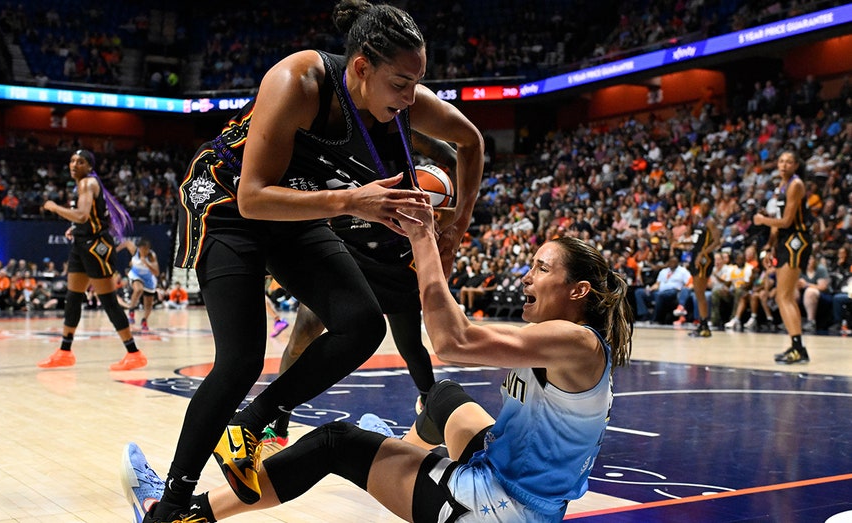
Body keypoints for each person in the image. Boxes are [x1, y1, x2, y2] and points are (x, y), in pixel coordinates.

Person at [145, 0, 483, 519]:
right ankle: (170, 507)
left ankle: (251, 425)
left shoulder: (404, 98)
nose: (410, 96)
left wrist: (457, 224)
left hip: (296, 208)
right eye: (400, 84)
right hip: (226, 202)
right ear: (362, 68)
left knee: (363, 323)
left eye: (417, 82)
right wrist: (353, 200)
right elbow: (254, 197)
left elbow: (472, 141)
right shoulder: (297, 79)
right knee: (240, 360)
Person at [122, 222, 633, 522]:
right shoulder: (571, 341)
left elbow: (452, 341)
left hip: (499, 509)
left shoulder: (578, 342)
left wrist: (425, 237)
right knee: (444, 397)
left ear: (578, 291)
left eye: (542, 269)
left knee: (335, 445)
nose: (528, 274)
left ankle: (186, 513)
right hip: (514, 476)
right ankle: (398, 451)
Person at [261, 131, 468, 455]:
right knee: (302, 334)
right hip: (346, 247)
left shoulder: (394, 128)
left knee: (410, 345)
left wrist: (457, 216)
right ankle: (278, 418)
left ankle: (432, 405)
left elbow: (455, 156)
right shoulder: (323, 136)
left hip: (396, 254)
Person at [36, 149, 148, 371]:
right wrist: (75, 228)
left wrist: (54, 207)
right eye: (72, 160)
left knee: (108, 301)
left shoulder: (88, 183)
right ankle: (65, 351)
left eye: (81, 161)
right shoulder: (84, 185)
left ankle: (134, 353)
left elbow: (82, 215)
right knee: (72, 297)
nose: (74, 164)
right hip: (82, 244)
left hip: (96, 247)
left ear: (90, 167)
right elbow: (86, 219)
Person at [753, 150, 813, 364]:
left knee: (784, 296)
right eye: (781, 161)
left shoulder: (796, 184)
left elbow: (787, 221)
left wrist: (761, 220)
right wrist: (768, 248)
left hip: (796, 239)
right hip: (785, 241)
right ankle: (797, 347)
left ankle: (798, 348)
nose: (784, 165)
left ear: (796, 165)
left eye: (789, 162)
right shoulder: (781, 186)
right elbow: (779, 224)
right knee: (783, 296)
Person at [684, 198, 721, 337]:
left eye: (706, 206)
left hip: (704, 259)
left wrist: (703, 253)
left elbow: (717, 241)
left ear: (709, 207)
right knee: (698, 293)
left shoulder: (710, 222)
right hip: (696, 255)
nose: (703, 208)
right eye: (701, 205)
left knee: (700, 292)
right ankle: (702, 324)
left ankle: (705, 325)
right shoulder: (700, 221)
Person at [121, 237, 161, 333]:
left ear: (148, 249)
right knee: (138, 289)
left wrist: (146, 263)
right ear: (139, 248)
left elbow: (156, 273)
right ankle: (131, 310)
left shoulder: (151, 256)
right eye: (142, 249)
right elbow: (126, 243)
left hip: (148, 278)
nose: (143, 251)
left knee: (148, 304)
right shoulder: (135, 251)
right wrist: (115, 250)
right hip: (136, 275)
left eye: (145, 249)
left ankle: (144, 320)